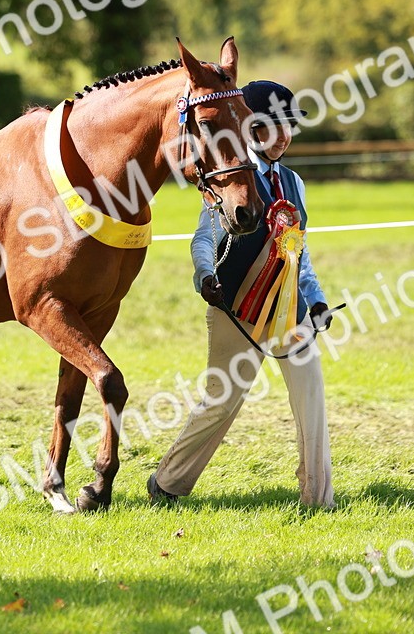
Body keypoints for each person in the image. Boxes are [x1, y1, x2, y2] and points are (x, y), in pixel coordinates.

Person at [148, 80, 336, 508]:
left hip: (288, 307)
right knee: (222, 402)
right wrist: (203, 275)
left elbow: (298, 252)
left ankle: (318, 498)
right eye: (274, 127)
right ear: (250, 129)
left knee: (311, 395)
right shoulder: (231, 177)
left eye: (289, 128)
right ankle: (168, 482)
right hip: (237, 305)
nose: (284, 137)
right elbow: (202, 239)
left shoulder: (294, 182)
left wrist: (318, 299)